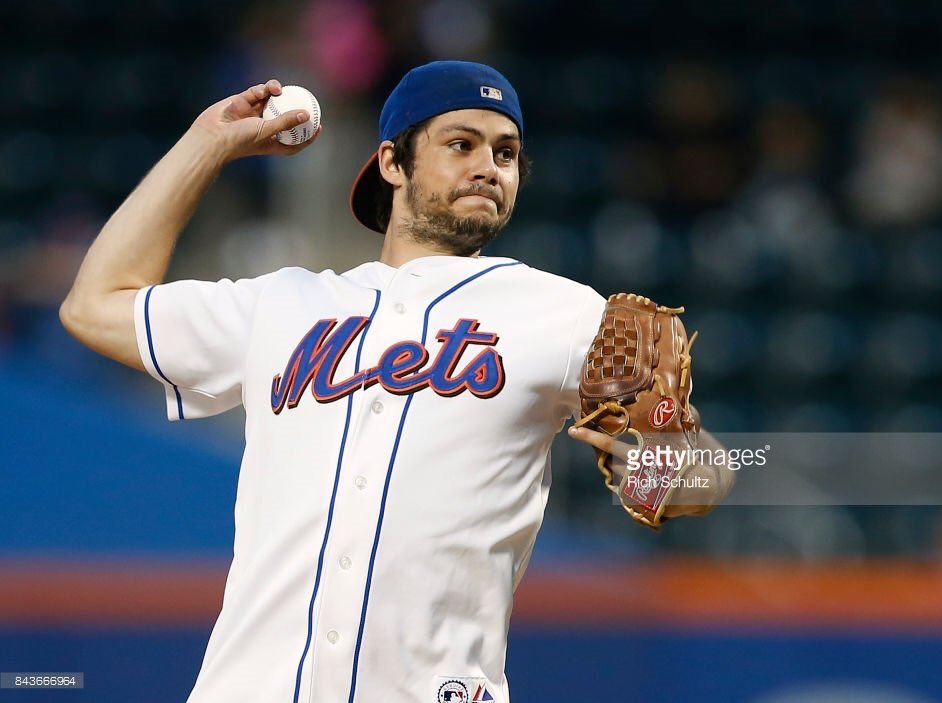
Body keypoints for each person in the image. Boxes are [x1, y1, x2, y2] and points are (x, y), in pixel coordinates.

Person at [60, 61, 732, 703]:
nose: (487, 166)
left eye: (505, 153)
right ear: (391, 163)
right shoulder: (283, 305)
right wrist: (206, 143)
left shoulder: (565, 312)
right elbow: (94, 305)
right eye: (461, 143)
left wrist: (665, 468)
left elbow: (700, 477)